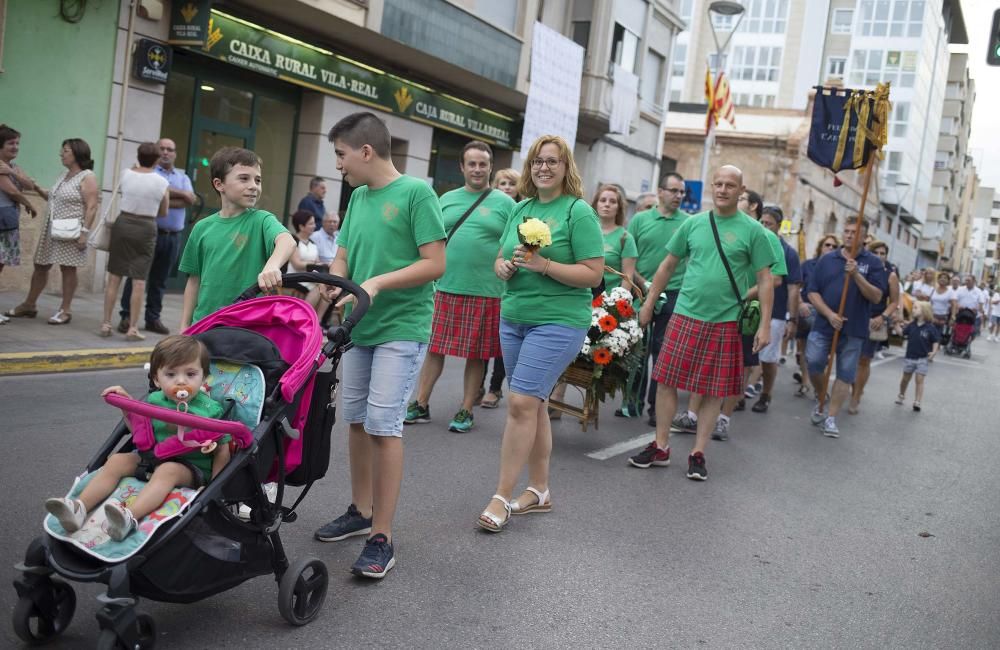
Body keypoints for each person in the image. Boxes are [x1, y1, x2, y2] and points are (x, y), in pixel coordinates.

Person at [312, 112, 446, 580]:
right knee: (355, 422)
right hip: (360, 326)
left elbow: (435, 263)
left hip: (401, 327)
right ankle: (361, 510)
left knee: (384, 426)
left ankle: (381, 537)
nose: (339, 165)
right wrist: (338, 284)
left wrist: (378, 283)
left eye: (341, 155)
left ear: (365, 151)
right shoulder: (358, 199)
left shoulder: (417, 193)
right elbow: (344, 255)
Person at [476, 134, 604, 531]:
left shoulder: (578, 212)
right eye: (537, 162)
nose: (544, 168)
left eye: (552, 161)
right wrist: (503, 267)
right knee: (532, 404)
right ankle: (540, 490)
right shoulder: (521, 208)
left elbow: (593, 274)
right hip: (514, 317)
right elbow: (500, 258)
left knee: (519, 404)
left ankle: (501, 497)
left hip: (558, 321)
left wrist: (544, 266)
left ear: (566, 168)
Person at [629, 165, 774, 481]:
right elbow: (667, 266)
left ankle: (698, 453)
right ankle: (661, 446)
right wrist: (649, 303)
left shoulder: (753, 231)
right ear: (712, 187)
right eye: (718, 184)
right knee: (666, 379)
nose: (722, 190)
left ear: (740, 189)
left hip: (724, 321)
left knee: (713, 390)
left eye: (730, 185)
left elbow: (765, 280)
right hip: (684, 314)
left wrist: (764, 325)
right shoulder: (694, 224)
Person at [43, 335, 228, 541]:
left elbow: (223, 449)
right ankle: (79, 508)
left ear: (203, 378)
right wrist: (126, 405)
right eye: (171, 374)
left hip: (191, 468)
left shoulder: (211, 410)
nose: (181, 381)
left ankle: (129, 517)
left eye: (191, 374)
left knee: (168, 470)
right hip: (152, 457)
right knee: (118, 460)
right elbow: (141, 432)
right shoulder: (154, 399)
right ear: (157, 379)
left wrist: (214, 486)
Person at [405, 140, 514, 433]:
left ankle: (466, 409)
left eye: (483, 164)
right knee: (434, 349)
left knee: (477, 354)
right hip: (444, 285)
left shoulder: (506, 204)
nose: (477, 169)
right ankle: (421, 403)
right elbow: (430, 237)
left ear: (491, 167)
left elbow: (515, 244)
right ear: (462, 167)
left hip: (487, 290)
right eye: (472, 164)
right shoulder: (446, 199)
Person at [676, 194, 785, 440]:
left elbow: (774, 278)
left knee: (738, 369)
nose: (735, 197)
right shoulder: (718, 225)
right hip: (711, 309)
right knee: (704, 361)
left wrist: (745, 296)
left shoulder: (765, 236)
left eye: (744, 196)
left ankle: (724, 419)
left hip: (746, 313)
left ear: (753, 205)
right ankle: (692, 414)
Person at [178, 147, 295, 327]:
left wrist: (272, 265)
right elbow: (194, 281)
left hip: (248, 326)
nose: (254, 186)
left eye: (258, 180)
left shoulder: (261, 219)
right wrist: (185, 326)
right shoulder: (201, 228)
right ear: (219, 184)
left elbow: (287, 241)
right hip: (205, 324)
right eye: (244, 178)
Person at [3, 138, 99, 325]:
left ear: (77, 153)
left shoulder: (87, 176)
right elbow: (54, 198)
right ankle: (29, 305)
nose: (61, 154)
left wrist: (84, 232)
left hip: (71, 230)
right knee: (41, 265)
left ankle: (65, 310)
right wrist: (37, 188)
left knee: (68, 268)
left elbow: (92, 206)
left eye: (66, 151)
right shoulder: (64, 175)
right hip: (52, 228)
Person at [806, 216, 885, 438]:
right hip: (824, 324)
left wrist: (857, 275)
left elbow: (876, 295)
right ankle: (822, 395)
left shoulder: (874, 263)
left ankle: (830, 417)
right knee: (813, 362)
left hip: (854, 328)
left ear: (864, 236)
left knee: (845, 373)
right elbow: (812, 291)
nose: (850, 235)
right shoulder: (827, 259)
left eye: (855, 231)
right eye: (847, 230)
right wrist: (830, 314)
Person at [622, 172, 688, 422]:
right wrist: (642, 282)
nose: (678, 196)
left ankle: (655, 408)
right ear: (661, 192)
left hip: (673, 294)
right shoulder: (640, 220)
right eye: (674, 190)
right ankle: (632, 401)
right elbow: (628, 256)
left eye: (682, 192)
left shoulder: (688, 222)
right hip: (641, 290)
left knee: (662, 352)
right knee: (636, 348)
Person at [117, 138, 195, 336]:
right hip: (149, 233)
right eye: (162, 149)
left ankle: (153, 318)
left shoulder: (182, 176)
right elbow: (175, 198)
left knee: (160, 280)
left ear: (175, 153)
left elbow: (191, 199)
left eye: (170, 149)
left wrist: (166, 193)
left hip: (172, 237)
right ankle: (126, 316)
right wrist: (176, 195)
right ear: (156, 152)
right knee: (136, 276)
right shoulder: (147, 174)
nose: (166, 153)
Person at [100, 142, 170, 340]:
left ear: (138, 156)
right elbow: (163, 212)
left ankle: (106, 324)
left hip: (123, 223)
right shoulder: (161, 182)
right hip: (146, 228)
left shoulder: (126, 174)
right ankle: (133, 328)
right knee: (139, 281)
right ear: (157, 159)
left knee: (114, 276)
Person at [751, 206, 801, 413]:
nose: (763, 227)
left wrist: (792, 319)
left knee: (767, 358)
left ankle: (766, 393)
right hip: (752, 310)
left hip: (776, 313)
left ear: (779, 226)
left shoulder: (788, 253)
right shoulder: (753, 244)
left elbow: (792, 289)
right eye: (761, 222)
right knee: (749, 357)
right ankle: (739, 395)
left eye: (768, 224)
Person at [480, 168, 522, 410]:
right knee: (482, 343)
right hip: (486, 280)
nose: (506, 187)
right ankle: (477, 386)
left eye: (511, 183)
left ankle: (495, 388)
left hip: (507, 287)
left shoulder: (521, 213)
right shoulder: (489, 209)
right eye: (502, 183)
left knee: (501, 343)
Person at [850, 240, 901, 413]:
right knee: (850, 358)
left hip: (875, 320)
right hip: (856, 316)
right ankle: (854, 387)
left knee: (864, 359)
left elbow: (895, 302)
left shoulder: (891, 275)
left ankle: (856, 396)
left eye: (883, 253)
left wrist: (883, 317)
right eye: (876, 253)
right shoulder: (863, 268)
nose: (879, 256)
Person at [0, 125, 39, 324]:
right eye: (10, 143)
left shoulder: (12, 167)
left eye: (17, 143)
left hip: (6, 223)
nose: (15, 147)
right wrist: (30, 204)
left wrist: (12, 172)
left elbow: (29, 184)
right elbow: (12, 192)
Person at [792, 234, 839, 397]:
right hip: (806, 311)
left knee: (820, 353)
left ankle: (820, 385)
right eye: (827, 245)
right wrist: (800, 304)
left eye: (834, 246)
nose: (830, 248)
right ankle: (805, 382)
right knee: (805, 349)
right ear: (820, 246)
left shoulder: (838, 266)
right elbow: (796, 286)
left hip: (826, 315)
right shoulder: (807, 265)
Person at [895, 301, 940, 412]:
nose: (913, 310)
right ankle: (901, 394)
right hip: (910, 357)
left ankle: (917, 402)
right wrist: (895, 325)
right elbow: (902, 333)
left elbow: (935, 341)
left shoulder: (930, 328)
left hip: (923, 359)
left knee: (919, 380)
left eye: (915, 308)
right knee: (905, 379)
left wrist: (934, 352)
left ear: (924, 311)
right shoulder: (911, 325)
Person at [287, 209, 329, 314]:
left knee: (327, 287)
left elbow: (317, 261)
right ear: (301, 226)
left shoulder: (313, 243)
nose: (314, 226)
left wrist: (320, 264)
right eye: (311, 223)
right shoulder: (293, 240)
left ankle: (318, 322)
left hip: (309, 277)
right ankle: (303, 316)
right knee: (319, 287)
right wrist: (312, 263)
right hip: (294, 277)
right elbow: (296, 264)